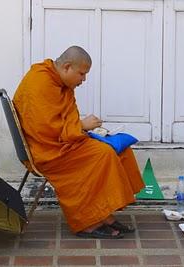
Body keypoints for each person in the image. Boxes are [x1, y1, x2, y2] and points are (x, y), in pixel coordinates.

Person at [13, 46, 145, 239]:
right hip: (47, 151)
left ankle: (104, 214)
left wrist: (81, 128)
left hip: (61, 142)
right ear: (67, 67)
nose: (83, 80)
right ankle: (87, 222)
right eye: (81, 74)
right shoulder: (40, 82)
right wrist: (82, 125)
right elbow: (46, 129)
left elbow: (61, 119)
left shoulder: (58, 82)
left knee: (120, 150)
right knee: (104, 154)